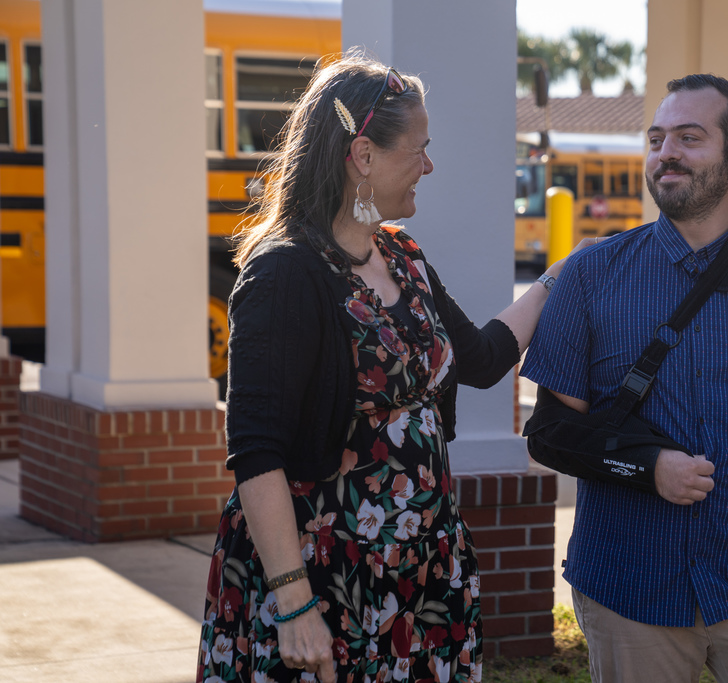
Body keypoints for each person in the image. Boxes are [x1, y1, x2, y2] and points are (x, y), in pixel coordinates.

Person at [197, 51, 588, 683]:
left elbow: (482, 360)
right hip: (326, 577)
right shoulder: (284, 273)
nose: (429, 165)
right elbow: (255, 452)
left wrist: (557, 279)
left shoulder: (401, 254)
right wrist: (294, 601)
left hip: (421, 570)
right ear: (364, 155)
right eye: (418, 149)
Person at [520, 74, 728, 682]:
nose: (665, 152)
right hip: (629, 591)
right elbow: (550, 432)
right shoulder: (591, 274)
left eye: (689, 138)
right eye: (656, 138)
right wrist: (648, 467)